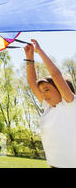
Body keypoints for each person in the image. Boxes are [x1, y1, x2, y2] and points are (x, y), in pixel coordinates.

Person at [24, 39, 76, 168]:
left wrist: (40, 52)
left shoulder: (70, 104)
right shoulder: (48, 107)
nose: (43, 94)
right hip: (53, 165)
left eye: (47, 89)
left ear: (61, 89)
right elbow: (32, 82)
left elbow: (56, 75)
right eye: (42, 91)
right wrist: (29, 58)